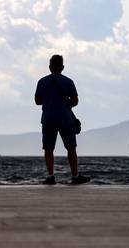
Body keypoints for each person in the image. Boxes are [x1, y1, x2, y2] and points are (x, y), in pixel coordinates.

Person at [35, 55, 90, 185]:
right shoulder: (68, 81)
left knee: (48, 149)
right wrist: (65, 104)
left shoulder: (42, 82)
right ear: (63, 67)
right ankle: (75, 176)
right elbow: (75, 101)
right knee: (71, 148)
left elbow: (37, 101)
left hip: (48, 119)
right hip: (65, 118)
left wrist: (49, 102)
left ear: (49, 67)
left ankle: (50, 176)